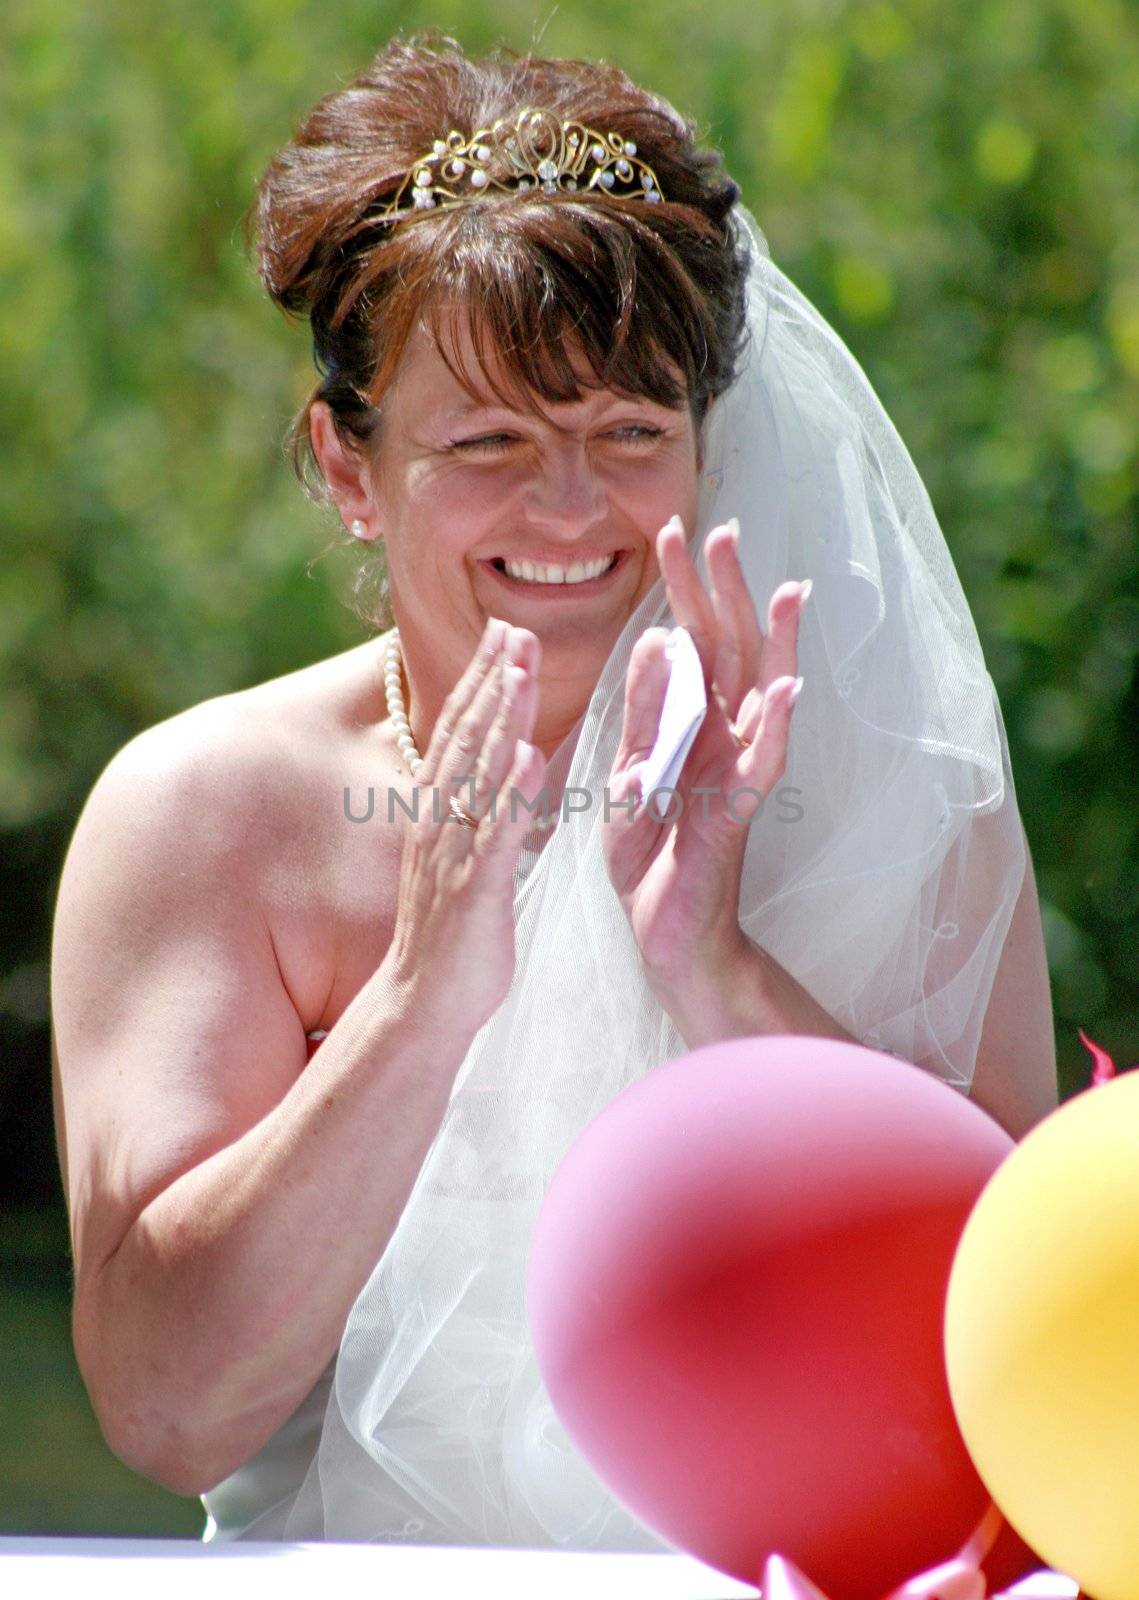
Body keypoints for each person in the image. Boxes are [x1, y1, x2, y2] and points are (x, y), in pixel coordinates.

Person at [50, 35, 1057, 1548]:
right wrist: (422, 998)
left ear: (708, 451)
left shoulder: (915, 805)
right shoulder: (205, 815)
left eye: (629, 434)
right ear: (346, 467)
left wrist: (710, 967)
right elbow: (172, 1409)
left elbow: (1023, 1357)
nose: (571, 507)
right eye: (490, 443)